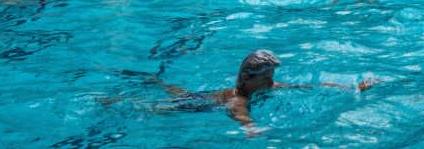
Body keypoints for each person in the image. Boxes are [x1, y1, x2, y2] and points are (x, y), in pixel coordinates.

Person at [152, 50, 375, 132]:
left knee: (181, 92)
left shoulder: (265, 85)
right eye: (266, 77)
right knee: (160, 107)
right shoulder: (239, 98)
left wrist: (352, 88)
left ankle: (157, 82)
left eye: (272, 76)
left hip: (204, 95)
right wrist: (251, 127)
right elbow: (239, 112)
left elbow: (306, 87)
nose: (271, 82)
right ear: (247, 79)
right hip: (200, 106)